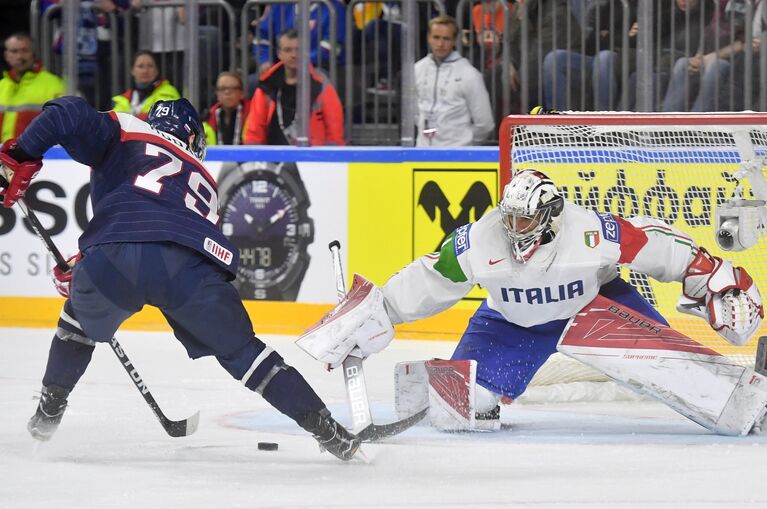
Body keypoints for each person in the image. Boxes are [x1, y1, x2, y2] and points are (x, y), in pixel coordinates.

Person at [0, 95, 360, 461]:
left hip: (115, 258)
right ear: (192, 138)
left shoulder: (126, 129)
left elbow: (67, 112)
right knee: (247, 356)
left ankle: (49, 411)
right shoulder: (204, 178)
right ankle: (330, 432)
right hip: (189, 266)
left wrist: (21, 154)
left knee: (76, 321)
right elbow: (161, 232)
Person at [300, 168, 766, 435]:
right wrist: (375, 316)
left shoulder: (591, 232)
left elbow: (659, 244)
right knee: (458, 408)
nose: (513, 228)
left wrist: (716, 281)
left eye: (525, 220)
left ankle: (755, 401)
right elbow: (427, 279)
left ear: (549, 215)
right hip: (511, 322)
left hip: (593, 310)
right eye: (510, 217)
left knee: (713, 394)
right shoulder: (477, 240)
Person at [243, 29, 344, 146]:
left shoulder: (321, 84)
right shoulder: (267, 84)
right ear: (279, 54)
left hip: (311, 159)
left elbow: (334, 130)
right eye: (288, 50)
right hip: (272, 159)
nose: (294, 55)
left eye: (298, 50)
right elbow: (254, 130)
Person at [415, 15, 494, 147]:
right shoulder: (417, 70)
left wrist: (464, 143)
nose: (440, 44)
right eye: (436, 37)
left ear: (454, 41)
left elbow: (485, 123)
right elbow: (416, 114)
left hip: (459, 155)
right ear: (428, 37)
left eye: (446, 39)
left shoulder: (469, 74)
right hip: (422, 151)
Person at [0, 32, 65, 143]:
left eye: (25, 51)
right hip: (3, 156)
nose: (20, 56)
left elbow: (65, 127)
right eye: (14, 51)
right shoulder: (2, 86)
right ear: (6, 56)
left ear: (34, 54)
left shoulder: (55, 85)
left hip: (40, 156)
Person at [112, 51, 181, 120]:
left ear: (157, 70)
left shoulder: (168, 92)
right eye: (140, 66)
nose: (145, 71)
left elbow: (163, 119)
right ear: (132, 71)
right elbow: (114, 121)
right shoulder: (125, 98)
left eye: (150, 66)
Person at [205, 71, 250, 145]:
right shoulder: (208, 118)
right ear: (217, 93)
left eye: (232, 88)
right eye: (222, 88)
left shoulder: (252, 115)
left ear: (242, 93)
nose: (227, 92)